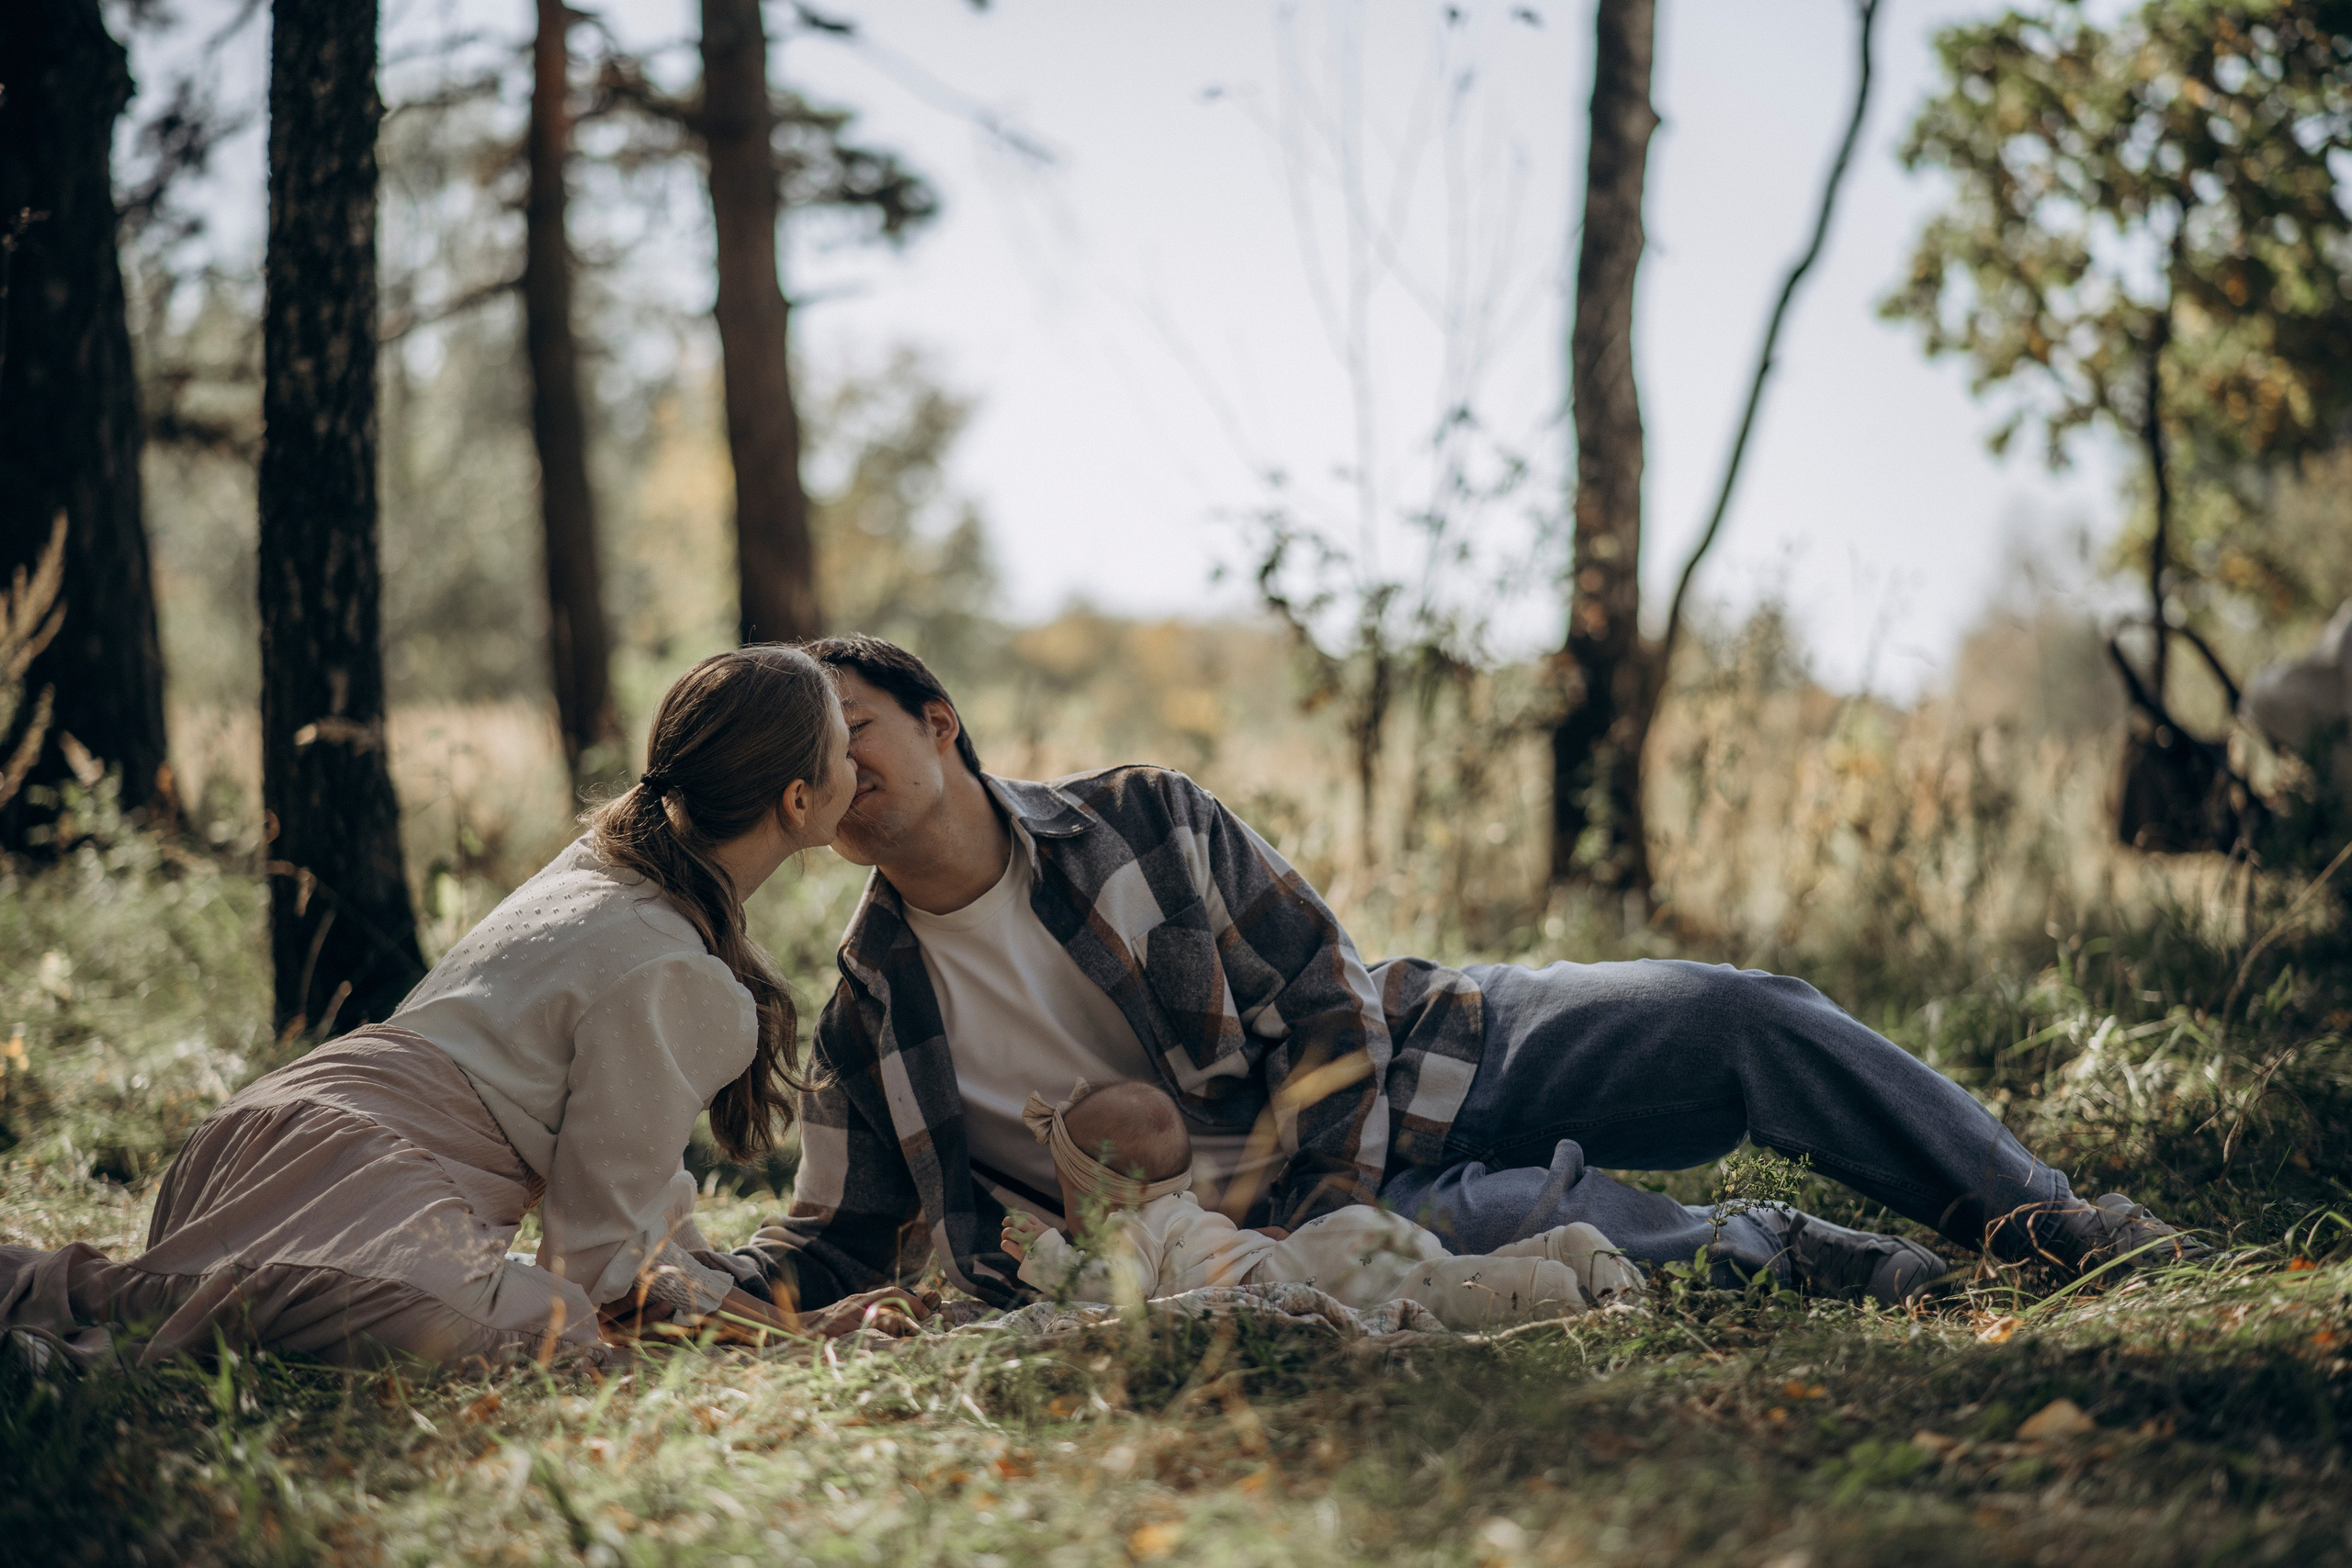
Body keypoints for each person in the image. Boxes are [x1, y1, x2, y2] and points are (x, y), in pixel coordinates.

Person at [738, 635, 2201, 1316]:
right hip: (1291, 1244)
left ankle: (2047, 1219)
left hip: (1428, 1051)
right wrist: (652, 1285)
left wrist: (1329, 1186)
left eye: (856, 721)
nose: (837, 765)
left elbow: (1319, 993)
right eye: (812, 753)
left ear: (941, 723)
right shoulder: (871, 1013)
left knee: (1740, 1012)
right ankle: (1781, 1247)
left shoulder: (1140, 812)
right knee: (1573, 1240)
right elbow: (838, 1231)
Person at [0, 647, 922, 1372]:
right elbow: (604, 1267)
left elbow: (638, 1212)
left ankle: (102, 1296)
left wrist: (769, 1310)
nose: (857, 757)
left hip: (245, 1140)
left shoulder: (601, 868)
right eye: (844, 743)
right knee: (550, 1330)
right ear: (799, 801)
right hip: (361, 1188)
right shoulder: (683, 978)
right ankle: (79, 1323)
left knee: (179, 1298)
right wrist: (799, 1341)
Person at [998, 1078, 1642, 1330]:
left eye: (1067, 1190)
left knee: (1437, 1290)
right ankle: (1565, 1246)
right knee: (1439, 1271)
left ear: (1105, 1196)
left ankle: (1547, 1287)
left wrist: (1046, 1253)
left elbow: (1121, 1288)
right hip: (1323, 1241)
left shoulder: (1129, 1230)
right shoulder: (1183, 1209)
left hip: (1296, 1271)